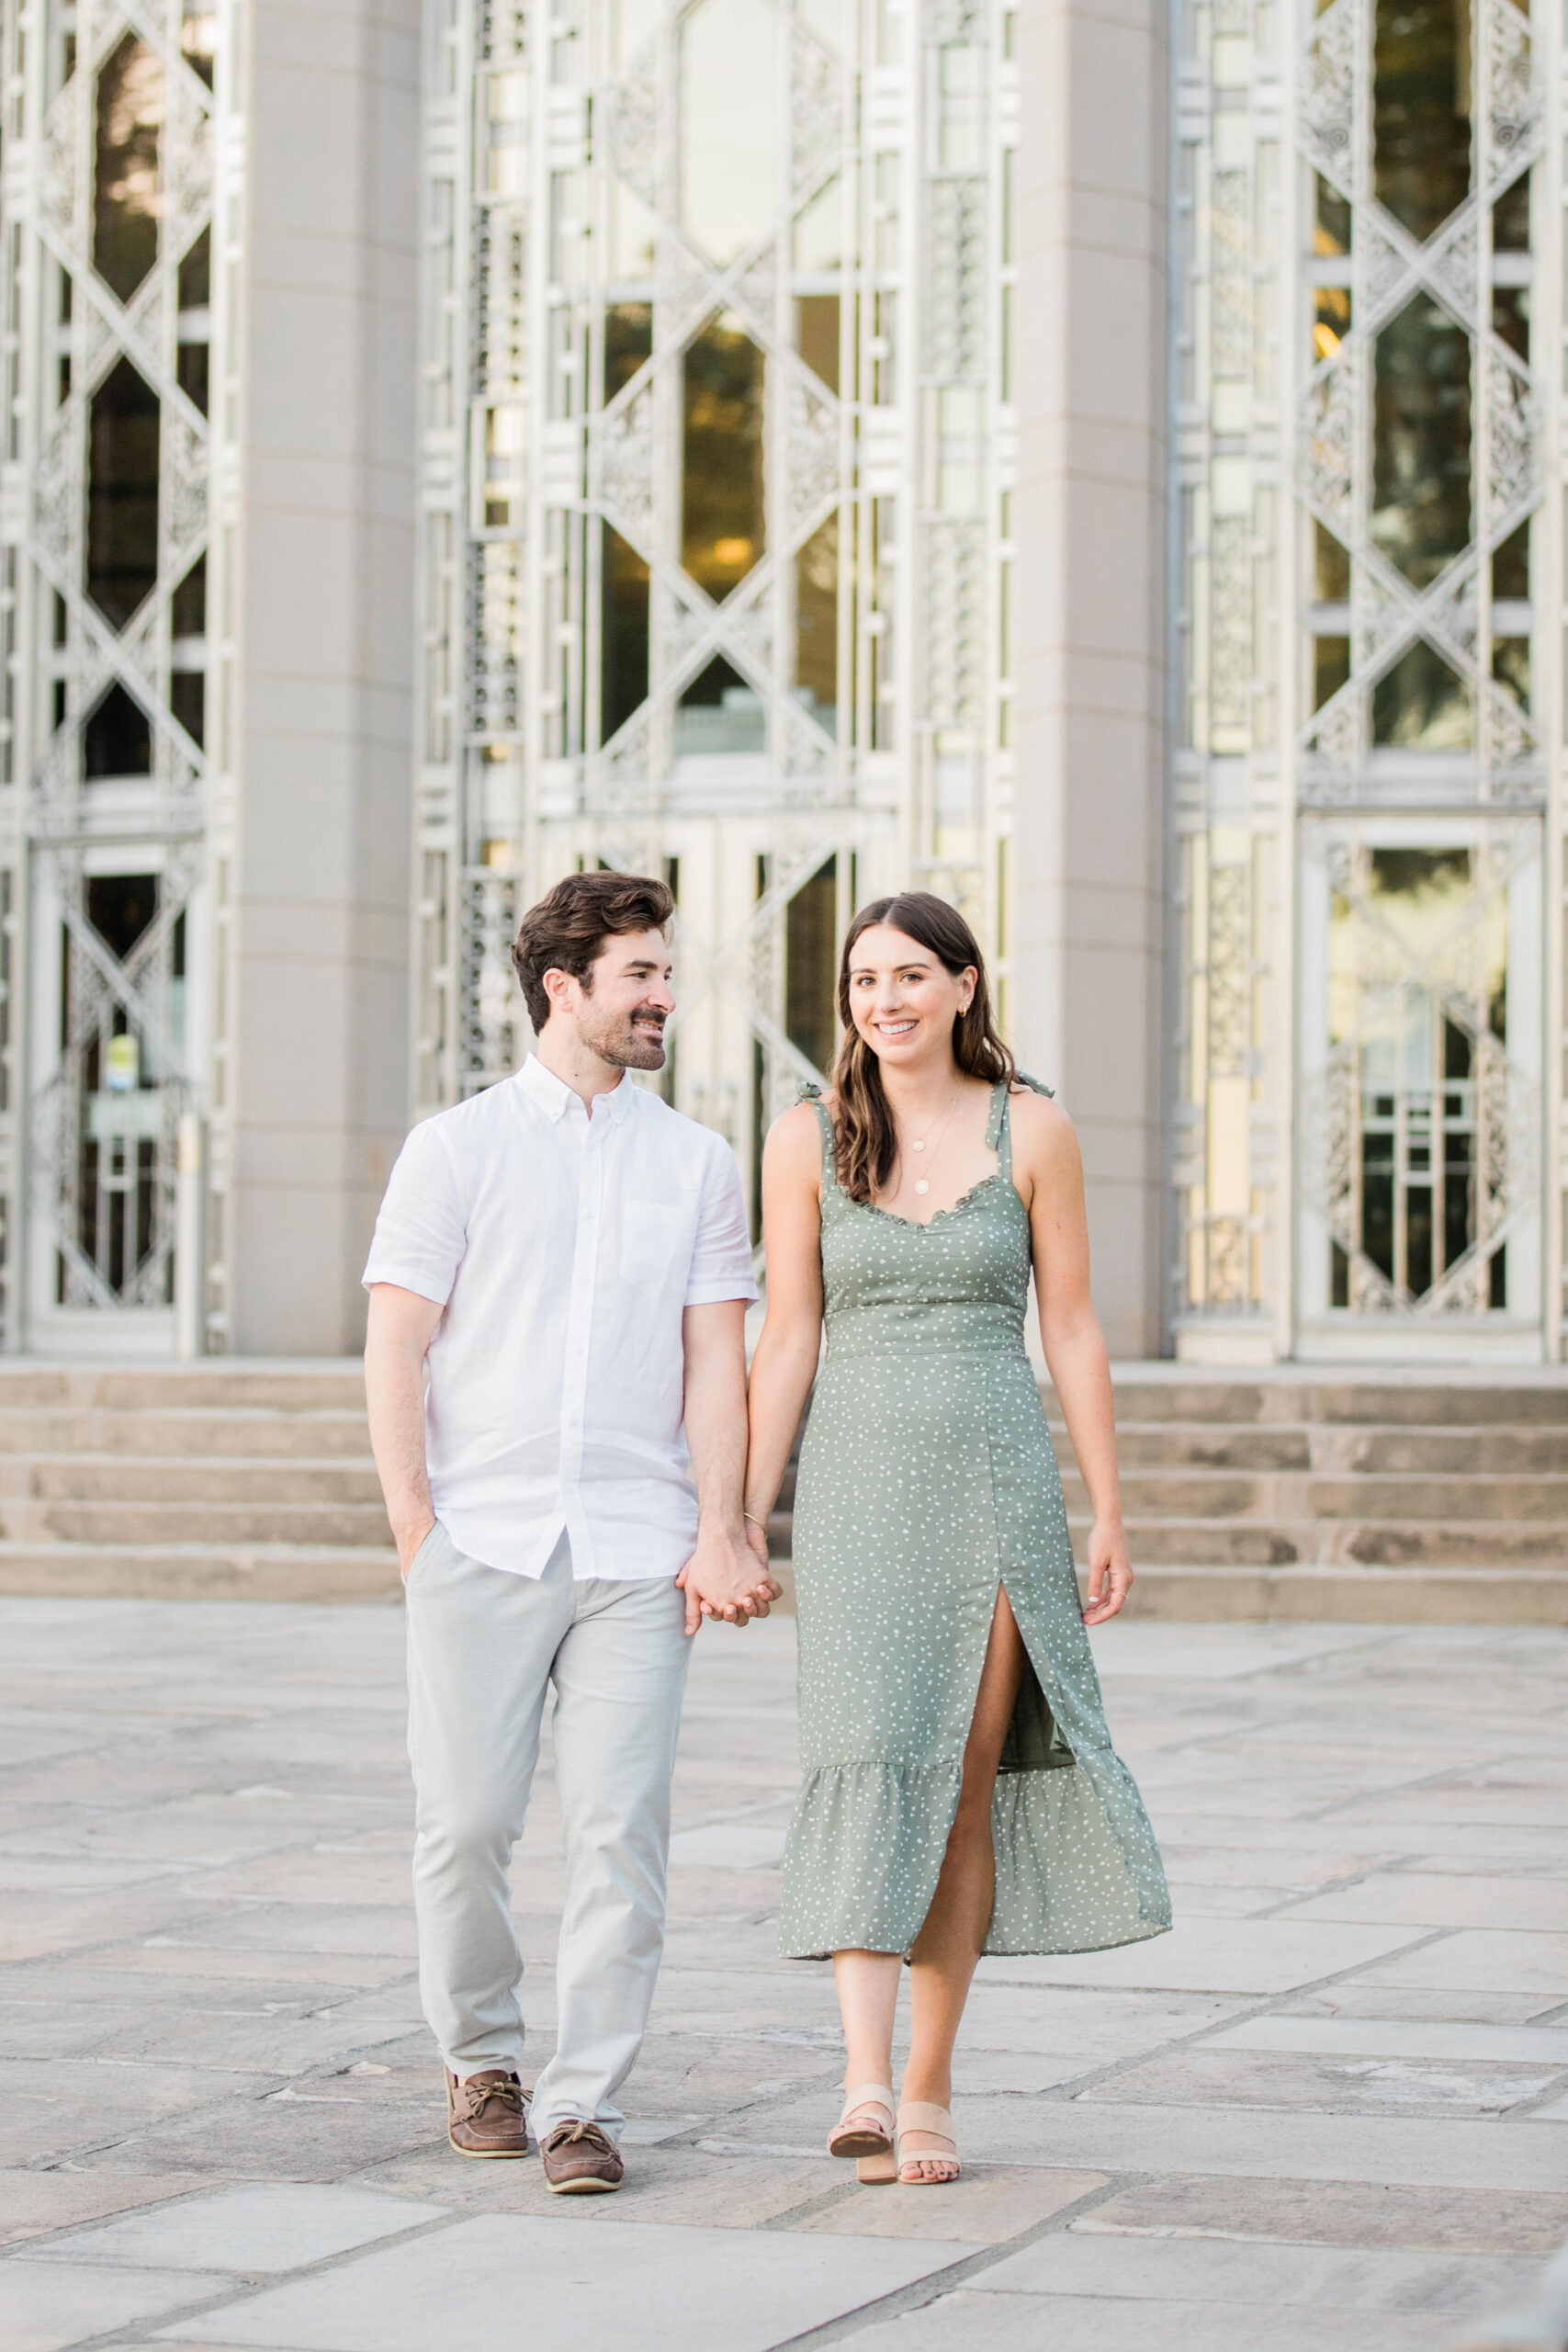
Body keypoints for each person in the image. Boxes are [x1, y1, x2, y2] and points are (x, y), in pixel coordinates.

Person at [743, 892, 1169, 2188]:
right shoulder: (805, 1135)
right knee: (865, 1760)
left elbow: (1077, 1328)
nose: (885, 1000)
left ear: (966, 986)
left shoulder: (1032, 1127)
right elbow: (788, 1338)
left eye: (912, 975)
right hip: (861, 1489)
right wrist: (741, 1519)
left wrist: (1108, 1504)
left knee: (963, 1784)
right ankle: (863, 2078)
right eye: (865, 980)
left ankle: (929, 2084)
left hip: (994, 1489)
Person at [363, 870, 776, 2196]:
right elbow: (395, 1347)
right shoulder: (455, 1149)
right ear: (566, 987)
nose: (666, 995)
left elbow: (722, 1363)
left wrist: (722, 1529)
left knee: (619, 1831)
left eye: (666, 972)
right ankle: (482, 2057)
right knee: (469, 1822)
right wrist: (415, 1529)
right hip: (478, 1537)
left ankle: (583, 2103)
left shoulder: (697, 1161)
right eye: (642, 974)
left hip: (636, 1550)